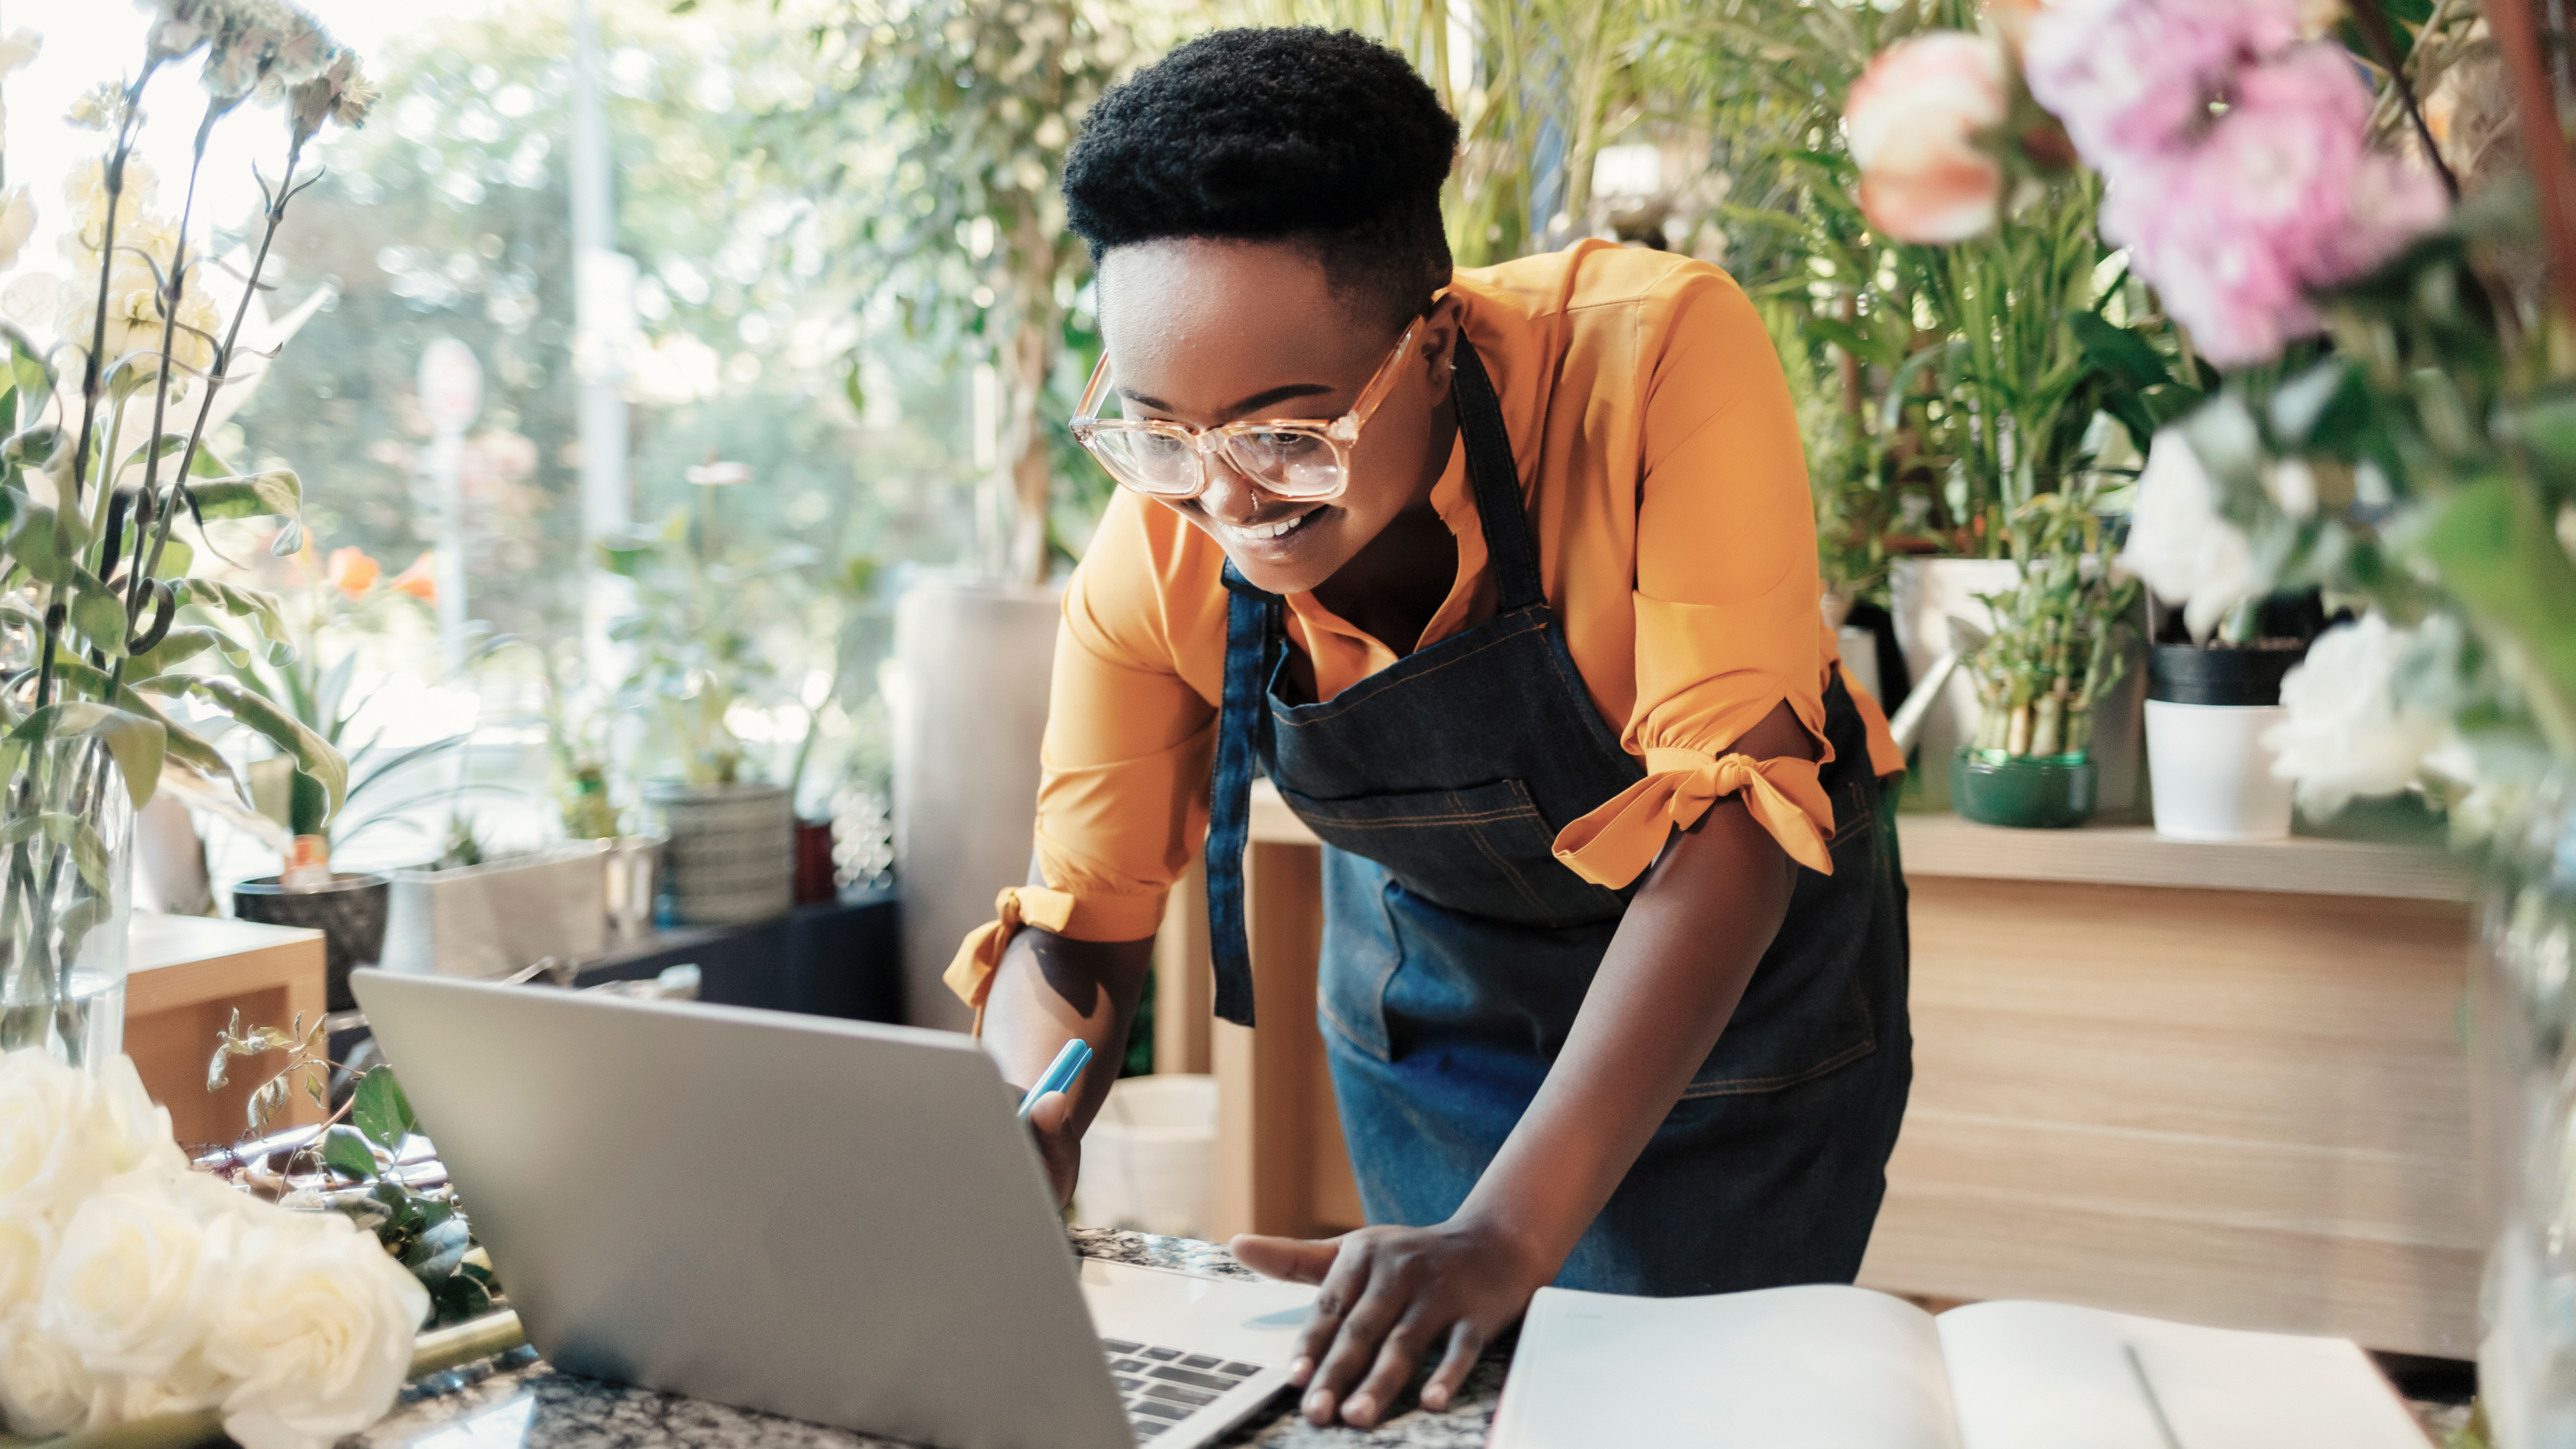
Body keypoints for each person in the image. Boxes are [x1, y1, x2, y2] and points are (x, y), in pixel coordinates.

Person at [944, 27, 1912, 1430]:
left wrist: (1508, 1234)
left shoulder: (1651, 361)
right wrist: (1022, 1121)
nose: (1223, 500)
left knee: (1677, 1417)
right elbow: (1081, 928)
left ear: (1438, 339)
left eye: (1290, 436)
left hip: (1727, 1003)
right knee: (1441, 1405)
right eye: (1159, 434)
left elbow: (1730, 833)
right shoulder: (1152, 552)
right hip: (1436, 1000)